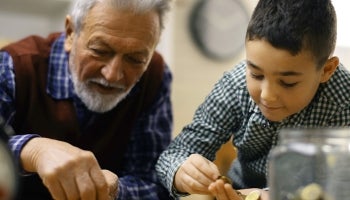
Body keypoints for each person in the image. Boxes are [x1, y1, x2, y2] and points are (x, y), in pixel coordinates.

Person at [156, 0, 350, 199]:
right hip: (237, 188)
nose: (267, 95)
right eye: (256, 75)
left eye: (288, 82)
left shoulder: (344, 100)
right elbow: (173, 155)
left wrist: (269, 195)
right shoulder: (236, 83)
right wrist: (182, 171)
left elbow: (341, 183)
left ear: (326, 70)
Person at [0, 0, 174, 199]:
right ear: (70, 33)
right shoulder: (13, 65)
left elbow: (156, 184)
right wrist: (32, 150)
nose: (112, 75)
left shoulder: (155, 77)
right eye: (100, 51)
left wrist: (116, 191)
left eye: (135, 59)